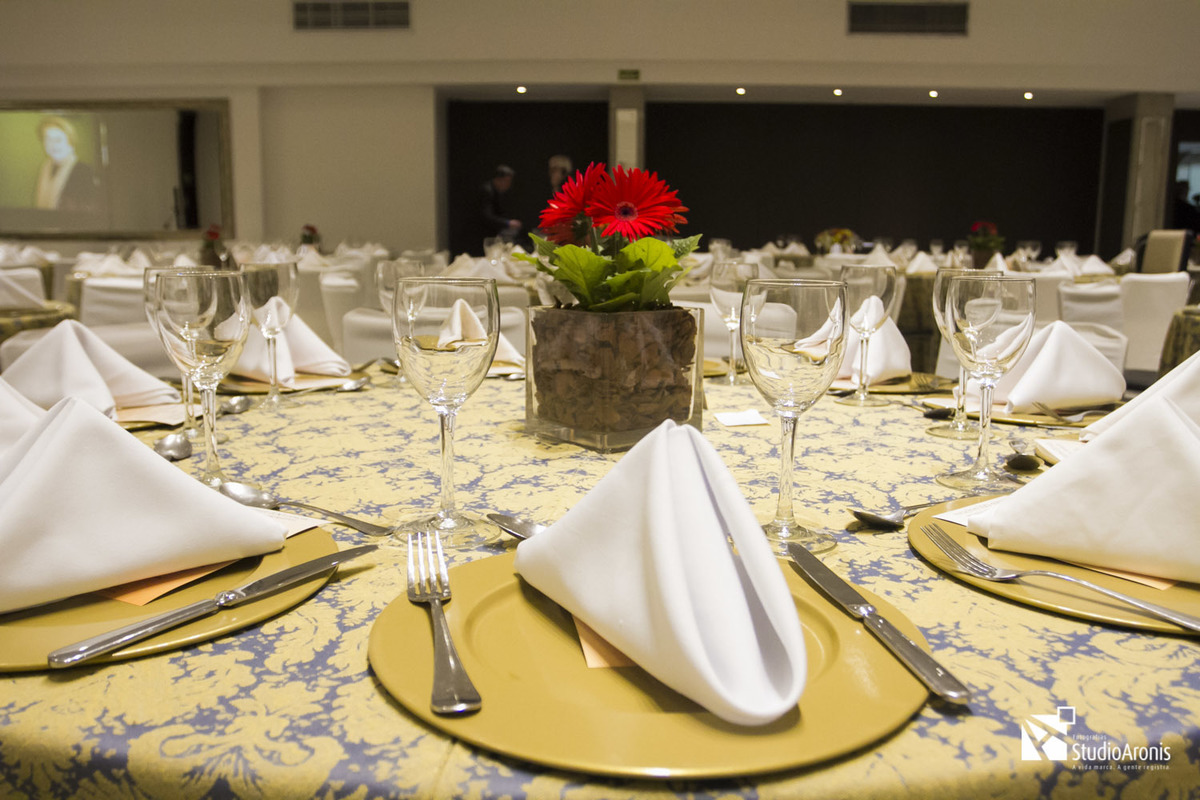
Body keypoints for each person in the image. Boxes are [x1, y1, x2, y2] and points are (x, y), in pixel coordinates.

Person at [33, 115, 100, 212]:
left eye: (58, 140)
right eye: (47, 139)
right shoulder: (45, 167)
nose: (52, 145)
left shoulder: (85, 171)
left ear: (70, 141)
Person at [480, 164, 521, 243]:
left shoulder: (496, 191)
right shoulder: (487, 191)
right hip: (482, 235)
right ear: (498, 179)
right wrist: (508, 223)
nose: (509, 184)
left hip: (490, 233)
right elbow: (486, 217)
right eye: (507, 181)